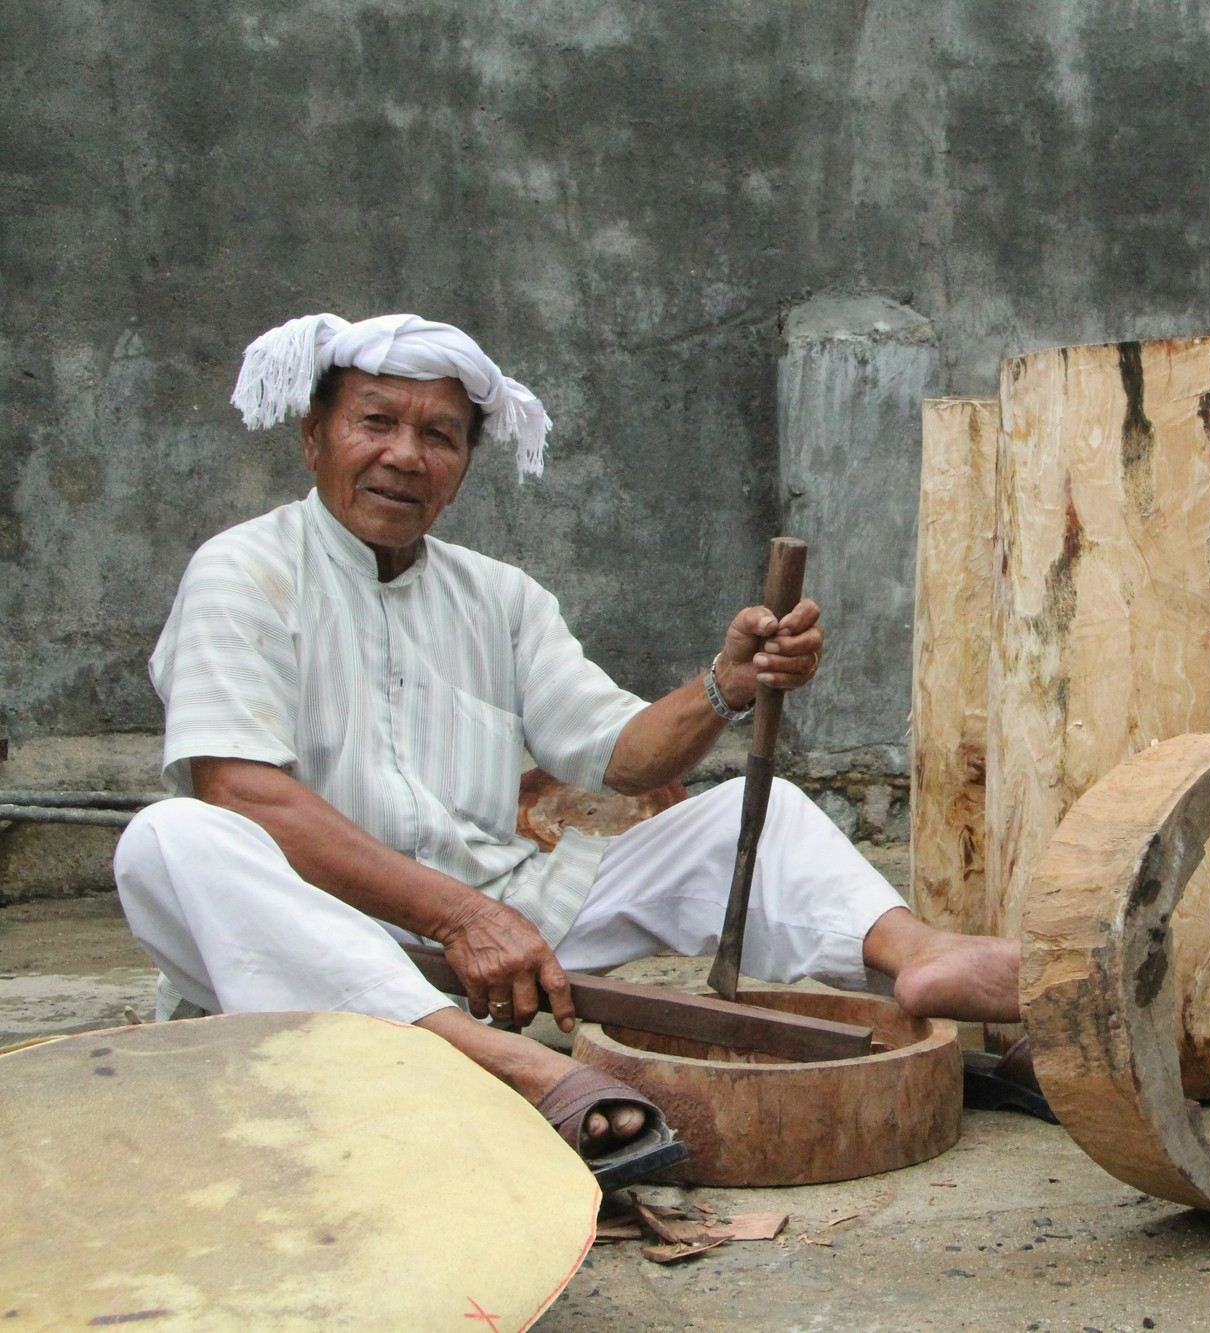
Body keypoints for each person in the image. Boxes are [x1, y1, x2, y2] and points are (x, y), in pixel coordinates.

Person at [115, 312, 1019, 1187]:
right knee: (171, 838)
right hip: (313, 936)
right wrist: (460, 918)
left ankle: (921, 953)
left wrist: (728, 684)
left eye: (440, 435)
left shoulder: (499, 597)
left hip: (508, 931)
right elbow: (242, 791)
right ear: (314, 437)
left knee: (764, 814)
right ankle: (507, 1065)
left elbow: (622, 757)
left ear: (464, 468)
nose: (405, 454)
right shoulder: (243, 570)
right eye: (375, 421)